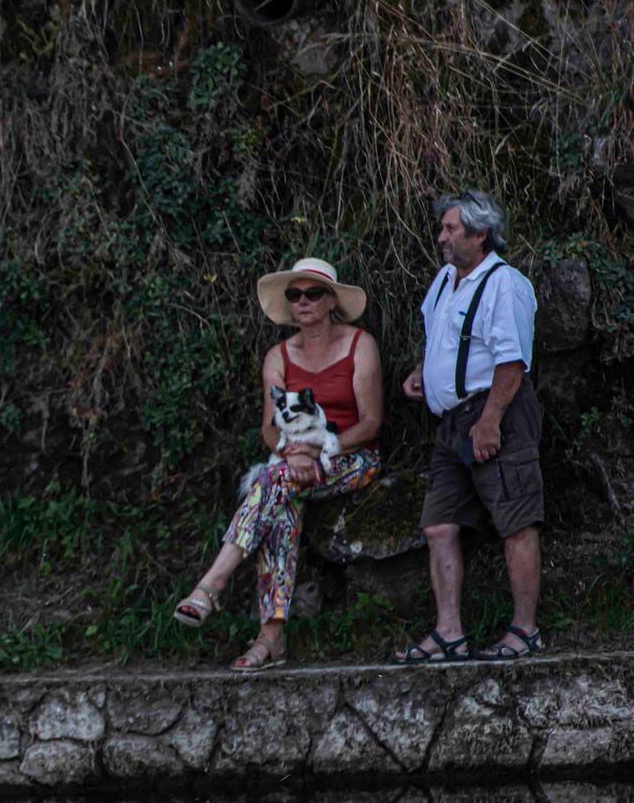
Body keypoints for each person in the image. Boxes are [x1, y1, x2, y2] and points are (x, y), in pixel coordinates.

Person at [175, 258, 385, 670]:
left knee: (274, 481)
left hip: (352, 457)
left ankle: (212, 585)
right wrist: (293, 453)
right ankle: (270, 637)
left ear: (331, 301)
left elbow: (371, 422)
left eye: (313, 294)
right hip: (293, 464)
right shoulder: (279, 356)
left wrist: (317, 450)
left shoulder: (360, 345)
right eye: (294, 295)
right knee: (281, 506)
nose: (303, 301)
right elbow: (270, 429)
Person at [395, 190, 544, 662]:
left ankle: (525, 630)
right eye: (442, 228)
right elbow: (440, 337)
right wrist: (425, 372)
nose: (441, 237)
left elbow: (512, 361)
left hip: (495, 413)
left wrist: (490, 421)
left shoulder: (505, 284)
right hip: (450, 423)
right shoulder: (445, 280)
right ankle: (449, 634)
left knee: (516, 521)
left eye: (450, 229)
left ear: (480, 234)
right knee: (439, 525)